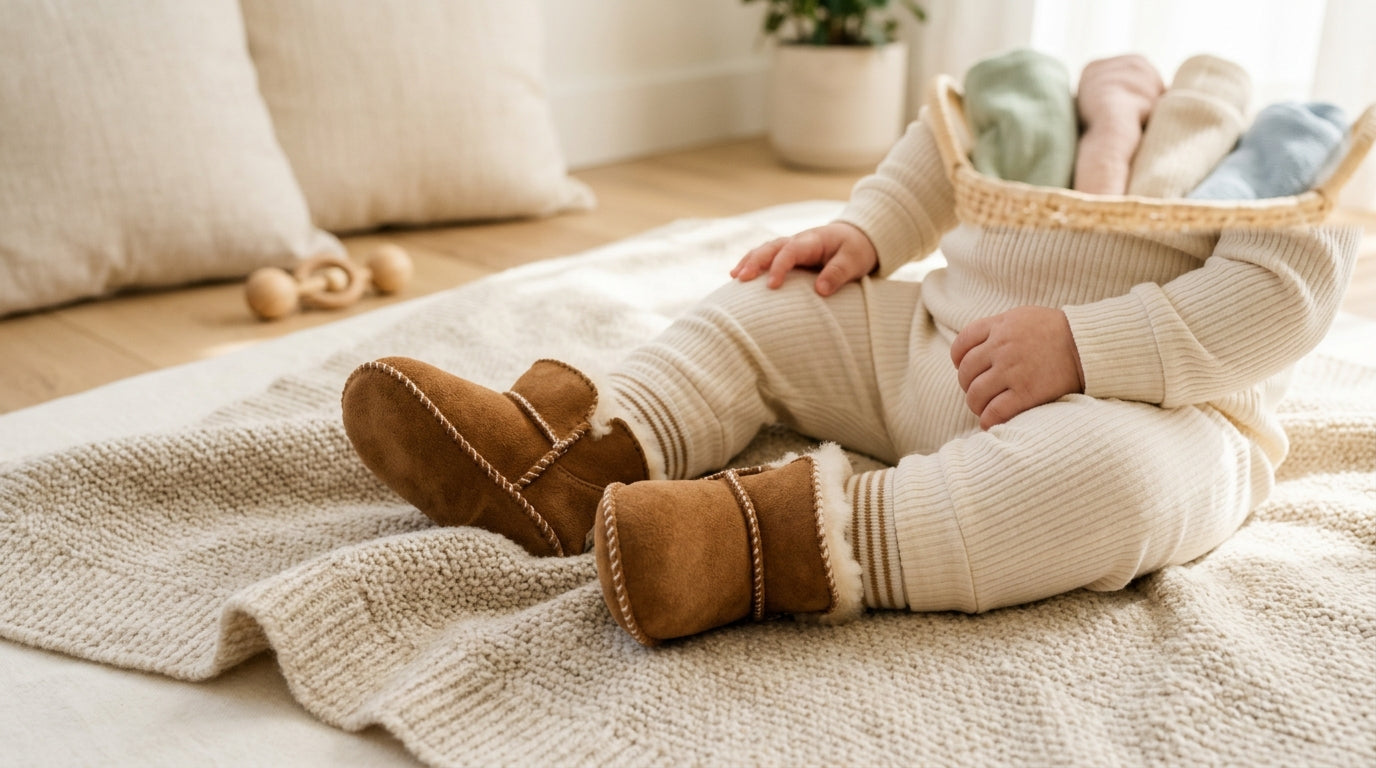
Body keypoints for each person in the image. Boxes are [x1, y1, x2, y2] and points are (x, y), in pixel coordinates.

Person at [341, 100, 1359, 648]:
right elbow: (937, 155)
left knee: (1115, 486)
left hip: (1147, 408)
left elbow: (1282, 299)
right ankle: (570, 457)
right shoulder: (1034, 94)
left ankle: (764, 542)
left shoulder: (1290, 153)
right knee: (773, 303)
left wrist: (1086, 347)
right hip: (939, 345)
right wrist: (865, 232)